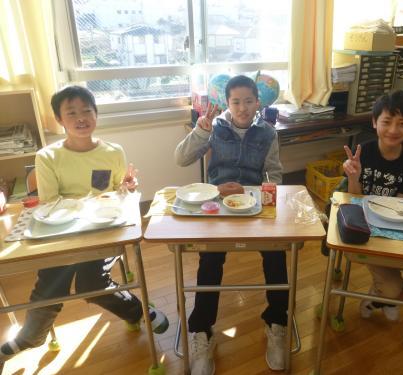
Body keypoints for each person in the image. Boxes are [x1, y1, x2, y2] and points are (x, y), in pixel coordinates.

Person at [0, 86, 169, 365]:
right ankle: (32, 337)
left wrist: (126, 188)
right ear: (59, 119)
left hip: (101, 232)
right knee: (52, 284)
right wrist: (94, 204)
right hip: (61, 234)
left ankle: (135, 312)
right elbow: (51, 203)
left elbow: (116, 196)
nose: (81, 118)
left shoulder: (113, 151)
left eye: (86, 110)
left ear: (96, 114)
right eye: (71, 112)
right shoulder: (47, 156)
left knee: (90, 282)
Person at [175, 75, 286, 374]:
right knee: (210, 260)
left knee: (277, 253)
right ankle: (202, 330)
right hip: (218, 204)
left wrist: (255, 192)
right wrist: (201, 130)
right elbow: (181, 158)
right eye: (236, 101)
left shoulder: (268, 133)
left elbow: (274, 175)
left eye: (248, 101)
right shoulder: (215, 127)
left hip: (255, 205)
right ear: (228, 103)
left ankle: (277, 322)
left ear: (257, 102)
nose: (242, 107)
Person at [342, 90, 403, 321]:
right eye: (387, 122)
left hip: (400, 233)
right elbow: (354, 202)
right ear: (375, 122)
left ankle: (379, 298)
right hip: (369, 233)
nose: (394, 130)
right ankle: (386, 295)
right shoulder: (363, 152)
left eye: (402, 123)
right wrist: (353, 177)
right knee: (393, 287)